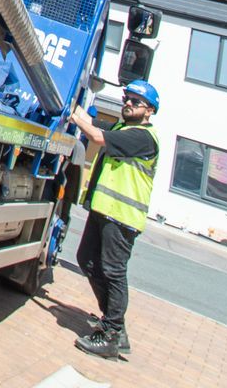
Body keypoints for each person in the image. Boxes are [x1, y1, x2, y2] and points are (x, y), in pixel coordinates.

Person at [67, 80, 160, 360]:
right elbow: (89, 120)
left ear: (149, 111)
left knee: (113, 271)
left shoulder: (144, 137)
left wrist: (73, 117)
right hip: (104, 210)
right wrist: (70, 102)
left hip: (122, 217)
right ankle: (115, 326)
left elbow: (96, 136)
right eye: (126, 98)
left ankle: (111, 335)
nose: (128, 103)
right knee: (87, 260)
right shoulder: (122, 128)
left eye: (136, 102)